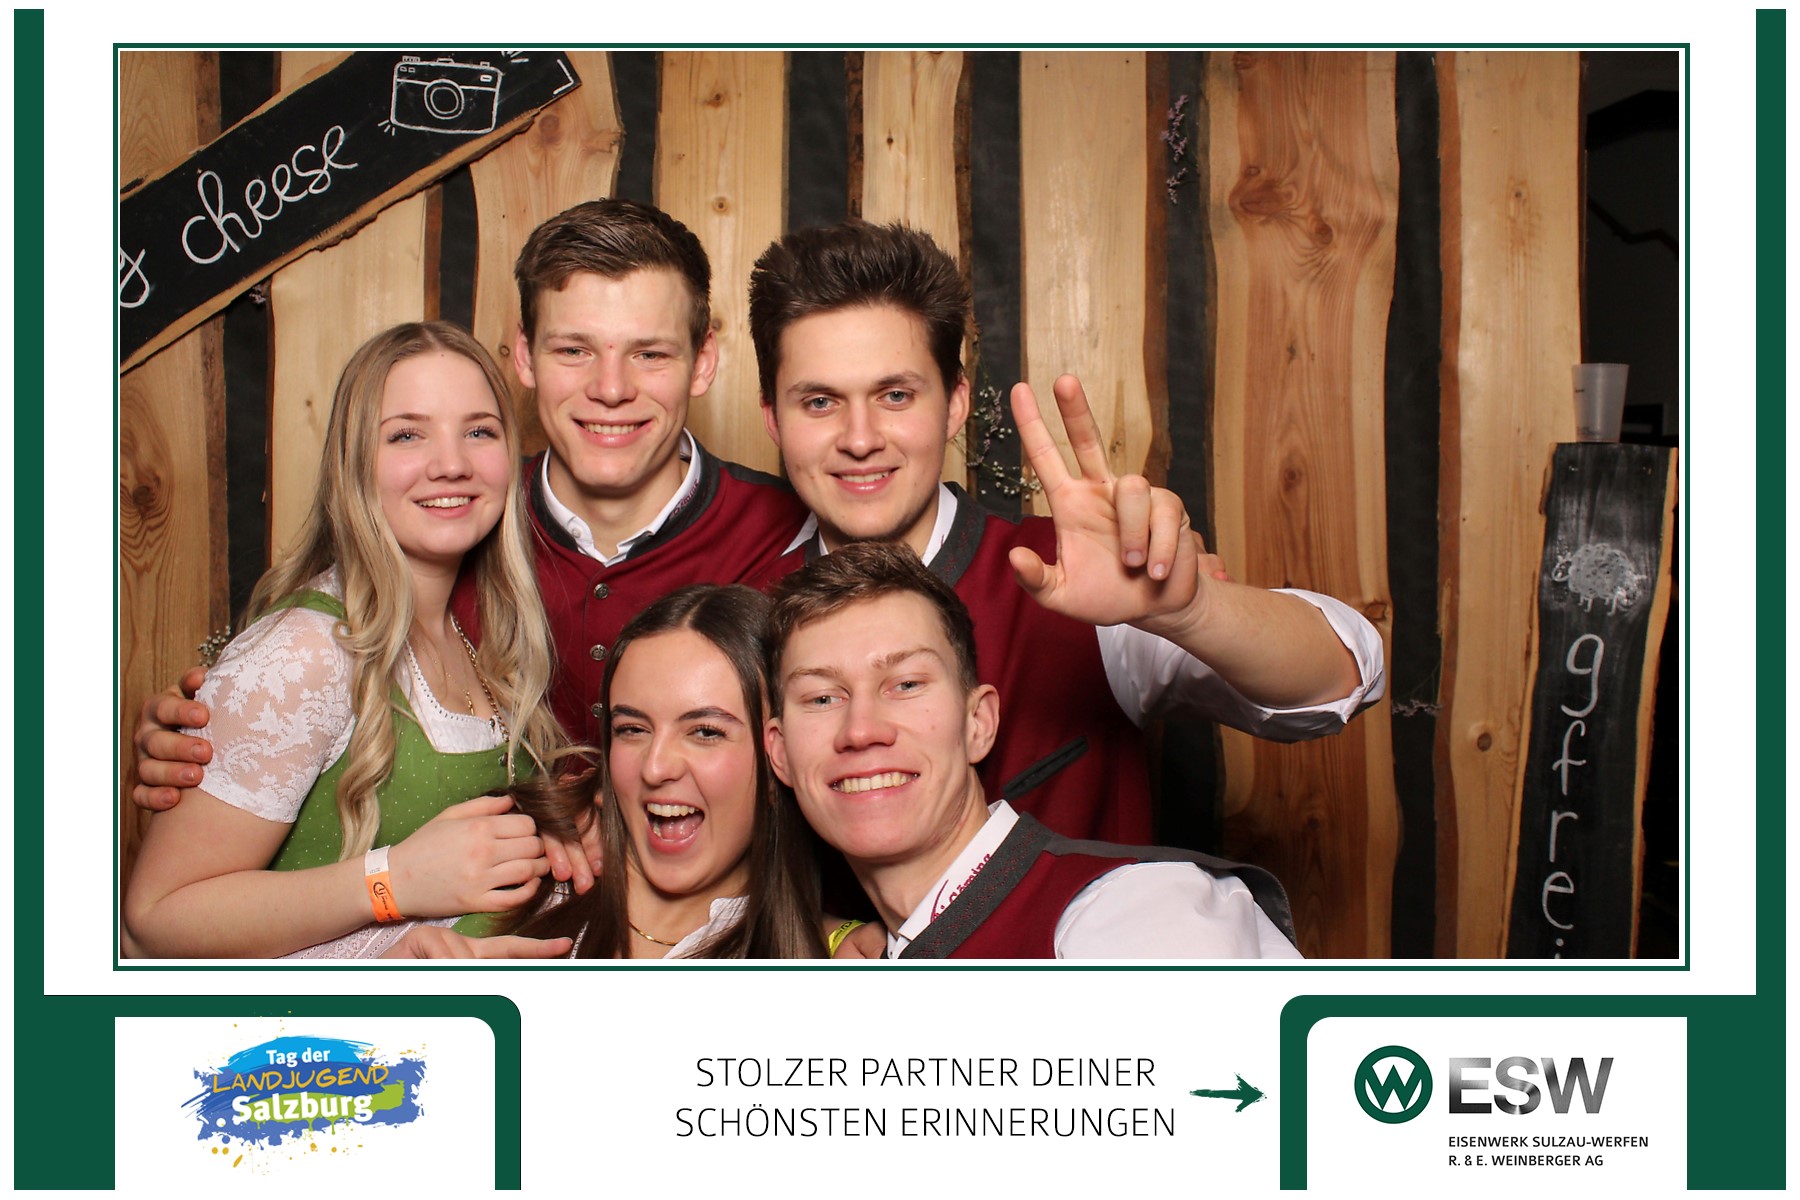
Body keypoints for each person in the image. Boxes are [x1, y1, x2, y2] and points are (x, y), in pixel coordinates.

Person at [749, 220, 1385, 844]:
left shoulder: (1078, 572)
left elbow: (1345, 675)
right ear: (773, 418)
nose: (860, 439)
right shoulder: (744, 605)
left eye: (895, 396)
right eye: (820, 402)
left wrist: (1192, 611)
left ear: (955, 404)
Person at [123, 322, 571, 959]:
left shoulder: (482, 632)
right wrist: (393, 882)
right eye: (407, 435)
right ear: (353, 461)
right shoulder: (308, 651)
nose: (452, 464)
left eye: (479, 431)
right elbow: (156, 919)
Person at [763, 542, 1301, 959]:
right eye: (822, 697)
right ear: (780, 752)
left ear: (978, 723)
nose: (861, 730)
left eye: (906, 685)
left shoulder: (1131, 912)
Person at [507, 584, 835, 958]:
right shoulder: (508, 875)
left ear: (780, 755)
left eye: (706, 732)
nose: (655, 767)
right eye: (633, 729)